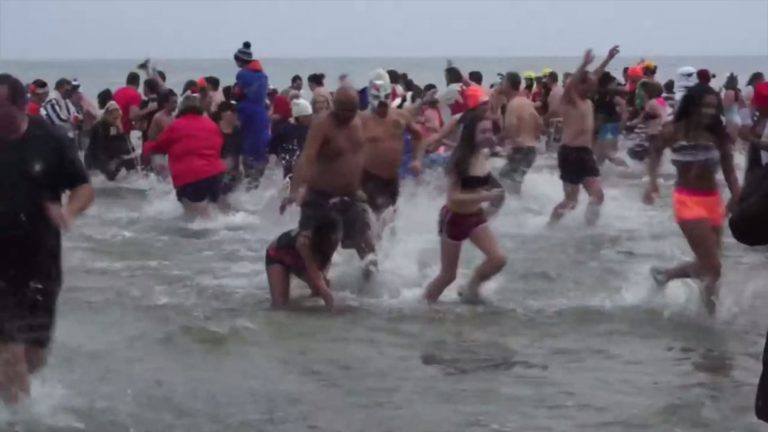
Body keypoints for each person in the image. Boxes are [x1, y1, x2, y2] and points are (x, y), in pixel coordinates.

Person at [0, 74, 94, 404]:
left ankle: (11, 395)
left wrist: (69, 213)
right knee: (8, 352)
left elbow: (84, 188)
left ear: (18, 106)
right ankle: (19, 422)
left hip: (41, 260)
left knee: (33, 358)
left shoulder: (50, 139)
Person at [644, 85, 740, 315]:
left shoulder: (717, 134)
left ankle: (708, 316)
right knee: (713, 267)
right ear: (692, 105)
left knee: (711, 269)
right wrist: (652, 182)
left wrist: (737, 195)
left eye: (712, 106)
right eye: (704, 105)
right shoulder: (674, 131)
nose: (708, 111)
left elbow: (729, 170)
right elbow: (654, 153)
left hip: (713, 201)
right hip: (687, 201)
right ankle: (668, 276)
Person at [285, 87, 370, 303]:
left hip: (351, 196)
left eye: (351, 110)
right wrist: (294, 190)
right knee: (316, 251)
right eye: (342, 109)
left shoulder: (360, 121)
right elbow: (306, 157)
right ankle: (314, 293)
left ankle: (373, 294)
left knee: (366, 246)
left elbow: (364, 155)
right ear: (334, 105)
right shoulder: (323, 124)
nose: (346, 115)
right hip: (320, 196)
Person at [423, 112, 506, 304]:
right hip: (454, 220)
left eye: (490, 131)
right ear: (471, 134)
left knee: (498, 259)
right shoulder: (460, 161)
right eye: (483, 131)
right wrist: (486, 196)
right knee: (448, 275)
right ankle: (425, 305)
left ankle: (470, 289)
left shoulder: (483, 153)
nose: (488, 135)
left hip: (475, 217)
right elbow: (453, 197)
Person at [548, 46, 620, 227]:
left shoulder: (588, 100)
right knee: (571, 201)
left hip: (585, 154)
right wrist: (584, 63)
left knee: (598, 196)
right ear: (581, 84)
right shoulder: (570, 99)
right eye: (590, 83)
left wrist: (608, 59)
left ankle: (589, 228)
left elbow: (594, 75)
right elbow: (572, 82)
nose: (594, 85)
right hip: (570, 153)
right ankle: (550, 227)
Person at [359, 70, 423, 255]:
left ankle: (390, 258)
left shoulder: (400, 117)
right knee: (371, 223)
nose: (382, 107)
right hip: (368, 178)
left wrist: (417, 160)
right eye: (379, 102)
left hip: (392, 180)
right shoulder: (362, 120)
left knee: (389, 222)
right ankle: (370, 258)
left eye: (385, 100)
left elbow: (420, 137)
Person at [143, 94, 226, 218]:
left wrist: (146, 146)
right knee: (214, 213)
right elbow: (220, 145)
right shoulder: (211, 125)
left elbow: (158, 147)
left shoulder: (176, 126)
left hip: (190, 178)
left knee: (196, 219)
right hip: (215, 175)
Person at [265, 220, 340, 309]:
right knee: (280, 305)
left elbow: (325, 265)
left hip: (300, 259)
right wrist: (332, 305)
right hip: (278, 255)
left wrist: (322, 283)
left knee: (319, 288)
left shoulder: (334, 238)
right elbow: (313, 270)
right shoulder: (304, 241)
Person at [232, 41, 271, 190]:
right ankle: (256, 187)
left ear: (240, 60)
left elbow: (239, 93)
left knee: (247, 150)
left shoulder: (242, 74)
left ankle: (246, 188)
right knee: (259, 151)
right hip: (261, 114)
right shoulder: (263, 75)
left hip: (247, 112)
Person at [498, 72, 543, 194]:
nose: (500, 85)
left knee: (503, 179)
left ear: (508, 85)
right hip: (531, 150)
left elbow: (510, 127)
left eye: (502, 83)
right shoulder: (526, 101)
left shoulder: (512, 104)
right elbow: (539, 122)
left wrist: (502, 141)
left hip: (520, 149)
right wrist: (533, 136)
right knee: (515, 182)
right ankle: (520, 208)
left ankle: (513, 210)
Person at [84, 101, 138, 180]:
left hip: (105, 153)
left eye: (117, 118)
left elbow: (123, 143)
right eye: (114, 118)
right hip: (94, 157)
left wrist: (121, 130)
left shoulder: (112, 126)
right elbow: (99, 148)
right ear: (107, 115)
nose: (116, 120)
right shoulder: (99, 127)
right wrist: (108, 164)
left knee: (129, 158)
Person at [593, 72, 628, 167]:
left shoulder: (609, 95)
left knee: (609, 155)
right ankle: (598, 177)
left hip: (609, 127)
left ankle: (628, 171)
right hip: (608, 127)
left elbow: (623, 108)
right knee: (600, 156)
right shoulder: (602, 95)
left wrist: (622, 124)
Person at [212, 101, 243, 201]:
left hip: (234, 170)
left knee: (232, 197)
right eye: (233, 113)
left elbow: (240, 151)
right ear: (224, 114)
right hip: (218, 171)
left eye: (236, 113)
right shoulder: (214, 130)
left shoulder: (237, 130)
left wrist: (241, 167)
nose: (236, 116)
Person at [41, 78, 81, 145]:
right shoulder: (51, 100)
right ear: (59, 88)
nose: (69, 92)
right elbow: (57, 120)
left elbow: (76, 114)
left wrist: (74, 118)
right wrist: (71, 120)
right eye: (66, 90)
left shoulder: (66, 101)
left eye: (70, 90)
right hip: (52, 139)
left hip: (66, 138)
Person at [544, 71, 565, 151]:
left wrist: (544, 119)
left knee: (552, 148)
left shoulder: (554, 92)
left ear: (550, 80)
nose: (546, 82)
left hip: (556, 123)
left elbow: (554, 110)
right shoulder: (562, 89)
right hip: (564, 121)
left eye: (547, 80)